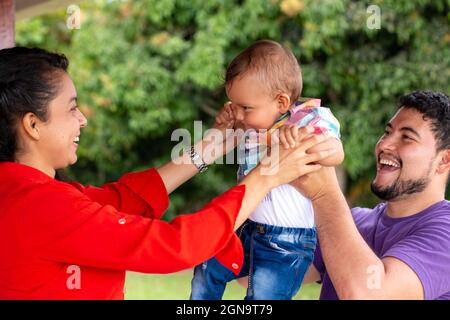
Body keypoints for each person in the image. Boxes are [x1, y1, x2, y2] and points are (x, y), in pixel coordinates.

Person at [0, 47, 337, 299]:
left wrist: (215, 144)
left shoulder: (24, 193)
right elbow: (175, 246)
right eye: (72, 108)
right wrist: (267, 176)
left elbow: (123, 200)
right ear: (32, 124)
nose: (83, 119)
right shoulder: (39, 205)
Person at [190, 40, 344, 300]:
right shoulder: (250, 124)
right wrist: (224, 126)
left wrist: (301, 141)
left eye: (245, 107)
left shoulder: (307, 119)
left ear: (282, 102)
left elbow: (336, 153)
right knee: (207, 262)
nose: (237, 114)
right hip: (247, 227)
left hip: (286, 241)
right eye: (233, 105)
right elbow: (221, 142)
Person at [293, 90, 450, 300]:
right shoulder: (353, 222)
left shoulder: (445, 232)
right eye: (387, 132)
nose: (384, 144)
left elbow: (367, 295)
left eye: (407, 137)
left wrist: (324, 193)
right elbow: (256, 274)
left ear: (444, 160)